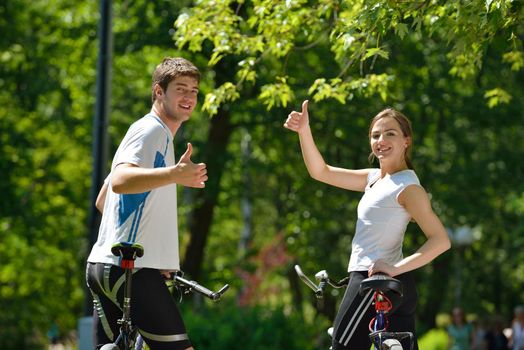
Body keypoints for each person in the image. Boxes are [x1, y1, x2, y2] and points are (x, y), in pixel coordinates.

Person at [284, 101, 451, 350]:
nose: (381, 139)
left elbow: (441, 240)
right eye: (375, 135)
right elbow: (321, 171)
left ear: (407, 141)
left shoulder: (407, 187)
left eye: (390, 133)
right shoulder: (375, 178)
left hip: (373, 283)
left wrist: (394, 268)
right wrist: (304, 131)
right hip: (383, 285)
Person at [86, 57, 208, 350]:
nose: (189, 96)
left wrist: (153, 254)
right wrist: (174, 174)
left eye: (194, 90)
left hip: (105, 266)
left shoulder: (149, 132)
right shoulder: (152, 130)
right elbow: (120, 181)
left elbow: (105, 201)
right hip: (128, 271)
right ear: (158, 92)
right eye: (180, 89)